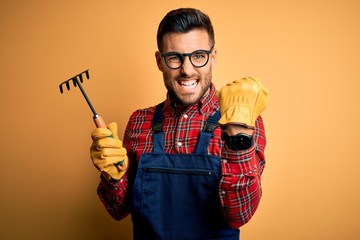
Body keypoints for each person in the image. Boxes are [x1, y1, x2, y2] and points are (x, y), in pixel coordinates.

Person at [90, 8, 269, 240]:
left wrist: (238, 137)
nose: (187, 70)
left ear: (212, 57)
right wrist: (113, 177)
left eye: (198, 56)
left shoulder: (242, 122)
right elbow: (118, 210)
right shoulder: (139, 122)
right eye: (175, 57)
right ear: (159, 61)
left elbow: (240, 214)